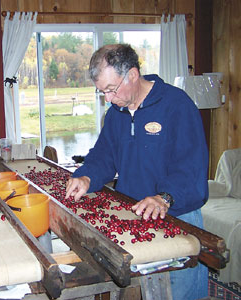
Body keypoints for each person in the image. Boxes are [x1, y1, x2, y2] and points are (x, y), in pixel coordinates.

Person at [65, 44, 208, 300]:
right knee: (138, 292)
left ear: (132, 75)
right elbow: (104, 156)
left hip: (178, 220)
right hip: (132, 217)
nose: (107, 99)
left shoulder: (177, 105)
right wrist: (87, 176)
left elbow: (191, 168)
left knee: (181, 294)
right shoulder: (116, 113)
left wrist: (164, 197)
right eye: (102, 92)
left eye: (110, 89)